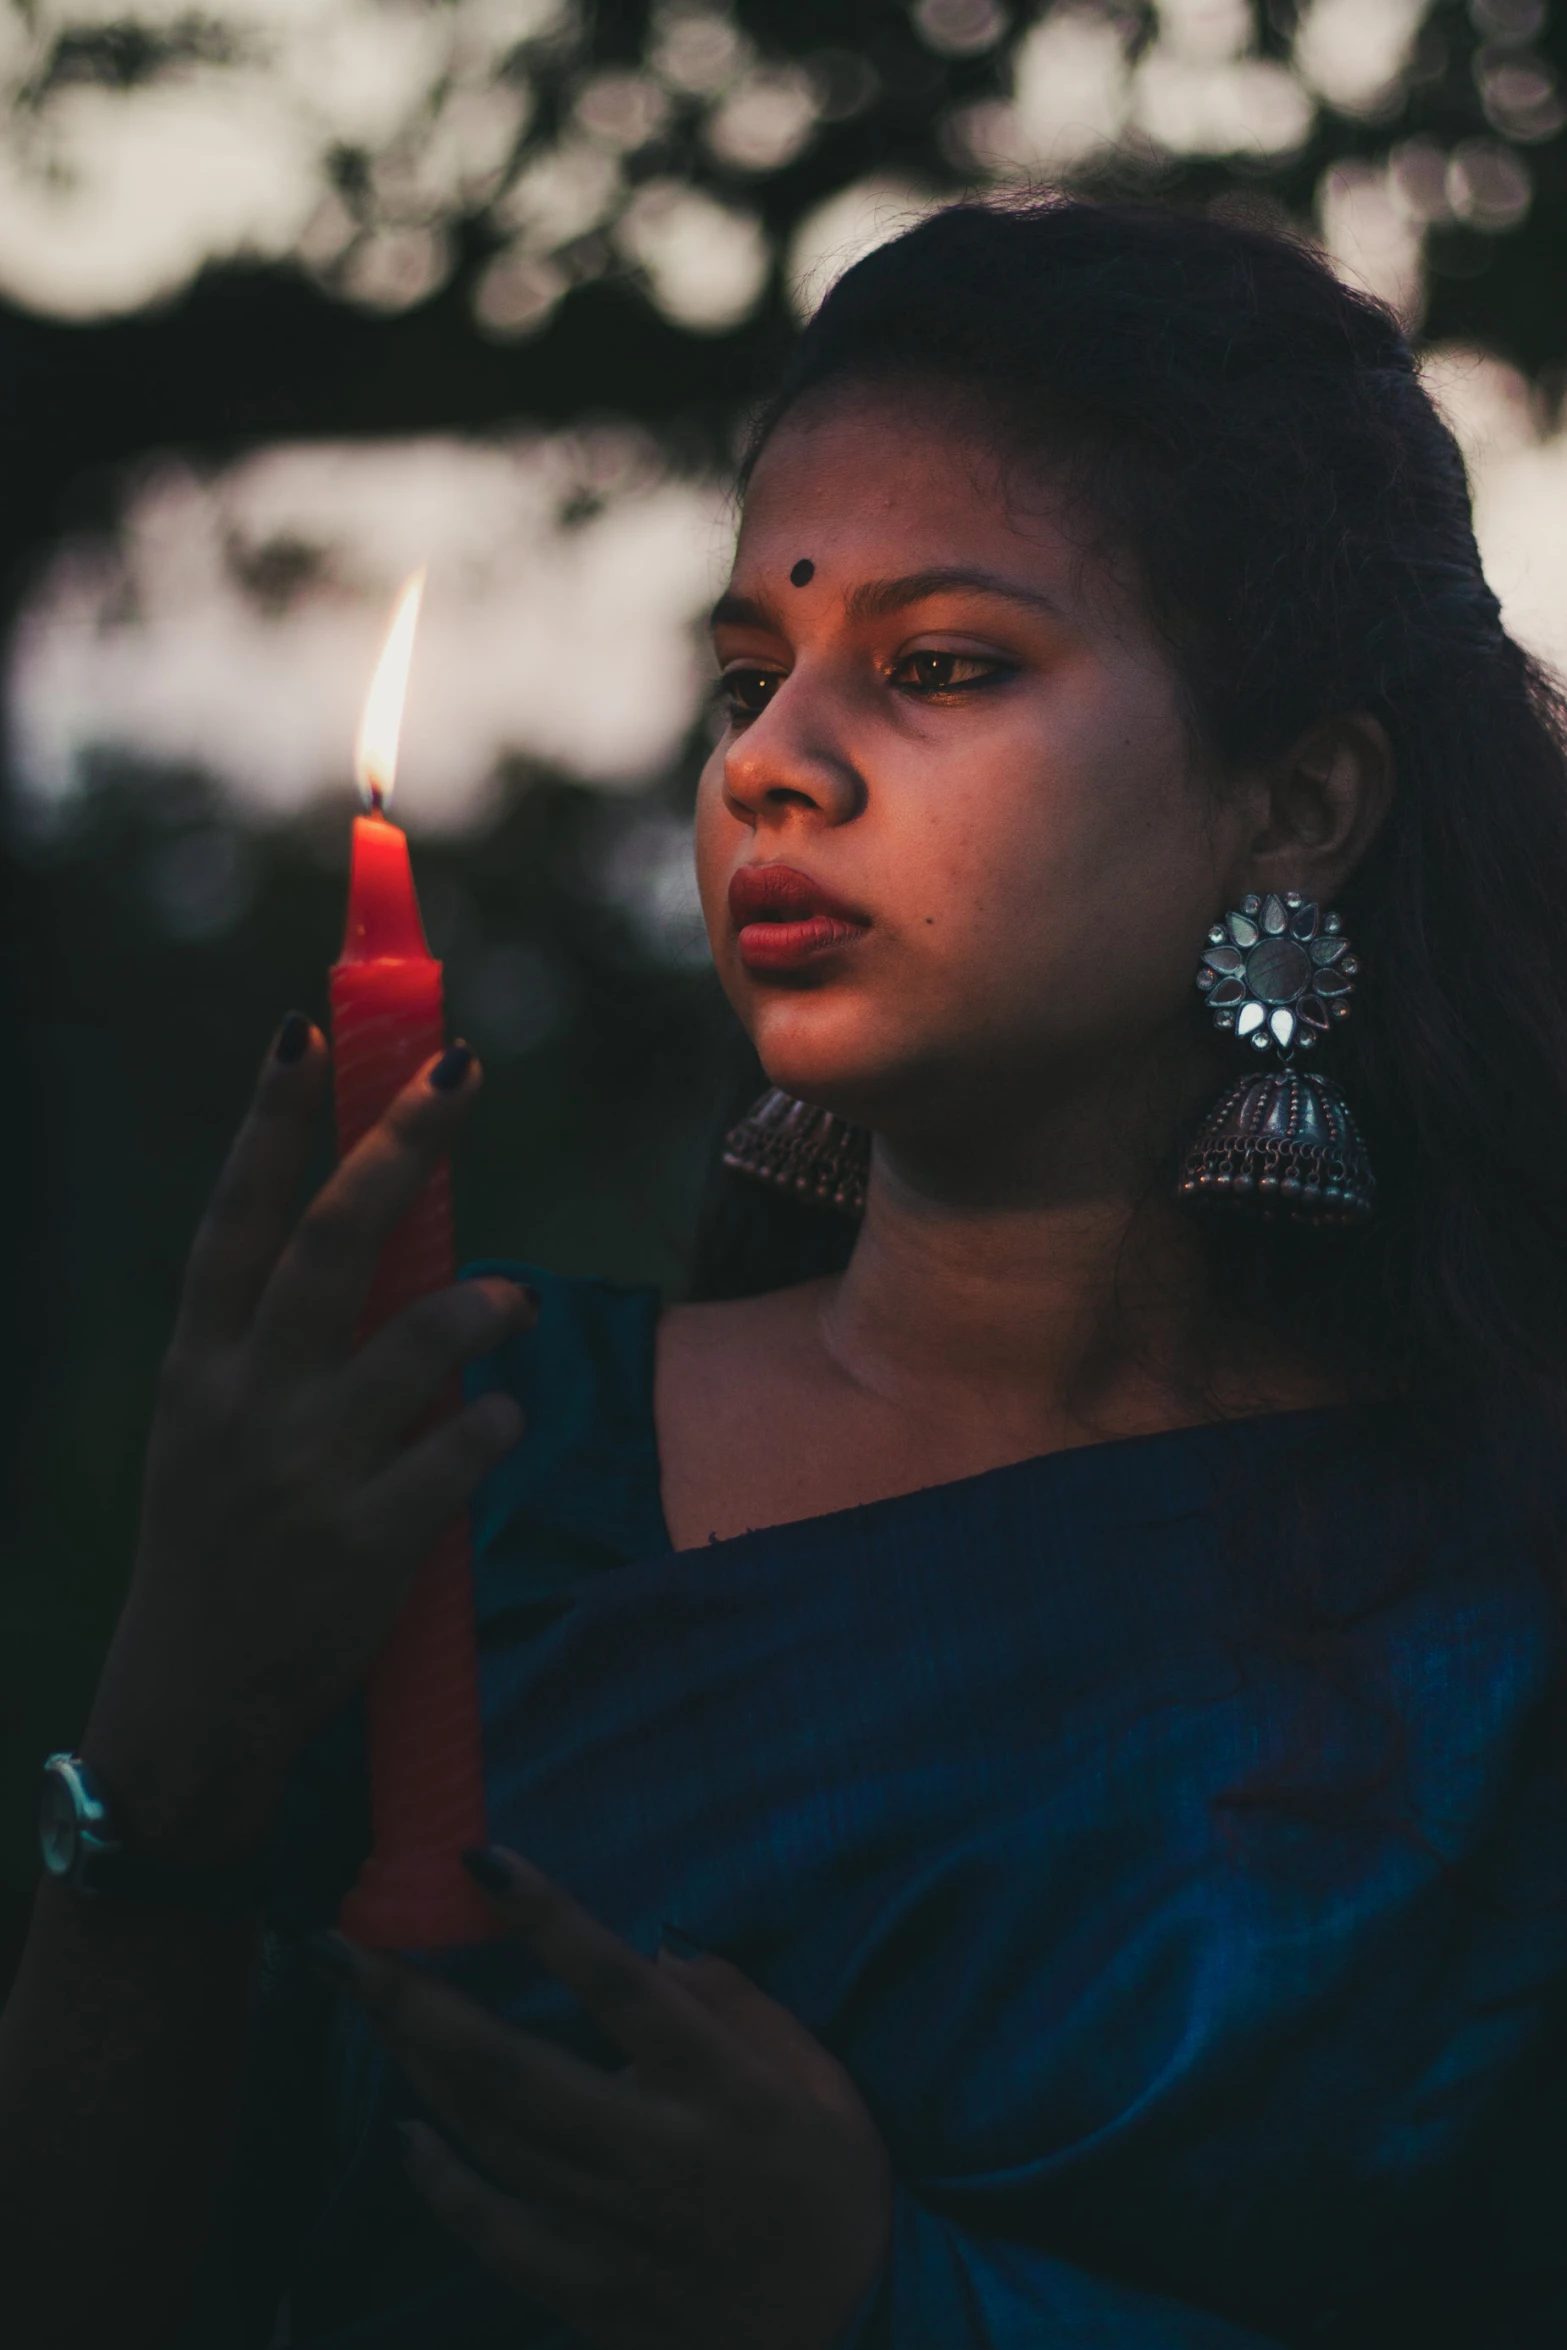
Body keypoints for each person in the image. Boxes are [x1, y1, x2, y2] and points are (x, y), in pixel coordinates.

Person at [3, 196, 1566, 2348]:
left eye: (937, 666)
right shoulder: (481, 1444)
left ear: (1294, 804)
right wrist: (166, 1736)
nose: (765, 764)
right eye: (752, 674)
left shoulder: (1494, 1600)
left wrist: (877, 2294)